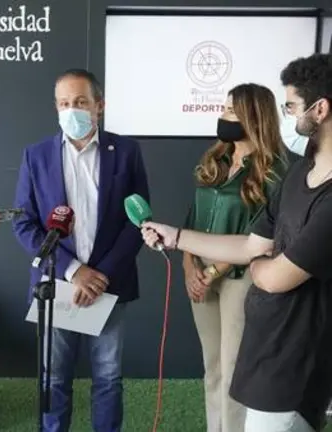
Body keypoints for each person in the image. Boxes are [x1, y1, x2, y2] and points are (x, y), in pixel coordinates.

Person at [140, 53, 332, 432]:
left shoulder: (288, 173)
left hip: (286, 333)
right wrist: (177, 242)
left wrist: (249, 264)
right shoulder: (295, 173)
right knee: (217, 370)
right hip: (250, 311)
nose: (289, 116)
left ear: (320, 109)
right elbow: (248, 243)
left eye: (292, 106)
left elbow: (269, 267)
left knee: (238, 380)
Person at [12, 69, 150, 432]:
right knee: (54, 378)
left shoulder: (126, 152)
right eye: (64, 103)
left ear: (99, 105)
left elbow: (137, 220)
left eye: (80, 102)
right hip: (57, 286)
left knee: (108, 378)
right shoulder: (36, 156)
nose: (71, 110)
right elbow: (25, 223)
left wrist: (100, 277)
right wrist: (75, 272)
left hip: (109, 284)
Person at [182, 83, 287, 432]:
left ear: (253, 116)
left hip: (239, 281)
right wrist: (189, 267)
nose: (223, 115)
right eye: (224, 108)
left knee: (232, 371)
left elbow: (260, 237)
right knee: (212, 368)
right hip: (200, 277)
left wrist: (213, 270)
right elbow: (192, 220)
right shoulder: (214, 161)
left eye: (231, 110)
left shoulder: (275, 171)